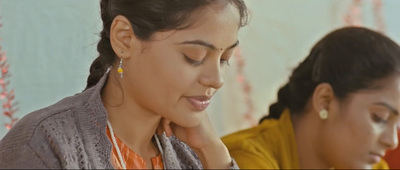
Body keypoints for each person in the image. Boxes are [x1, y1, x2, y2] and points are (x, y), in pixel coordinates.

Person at [0, 0, 249, 169]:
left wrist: (214, 152)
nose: (216, 80)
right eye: (194, 57)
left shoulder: (193, 151)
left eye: (224, 59)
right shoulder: (42, 146)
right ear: (125, 39)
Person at [222, 27, 400, 169]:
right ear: (325, 101)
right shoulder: (244, 161)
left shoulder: (373, 166)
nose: (392, 141)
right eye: (380, 118)